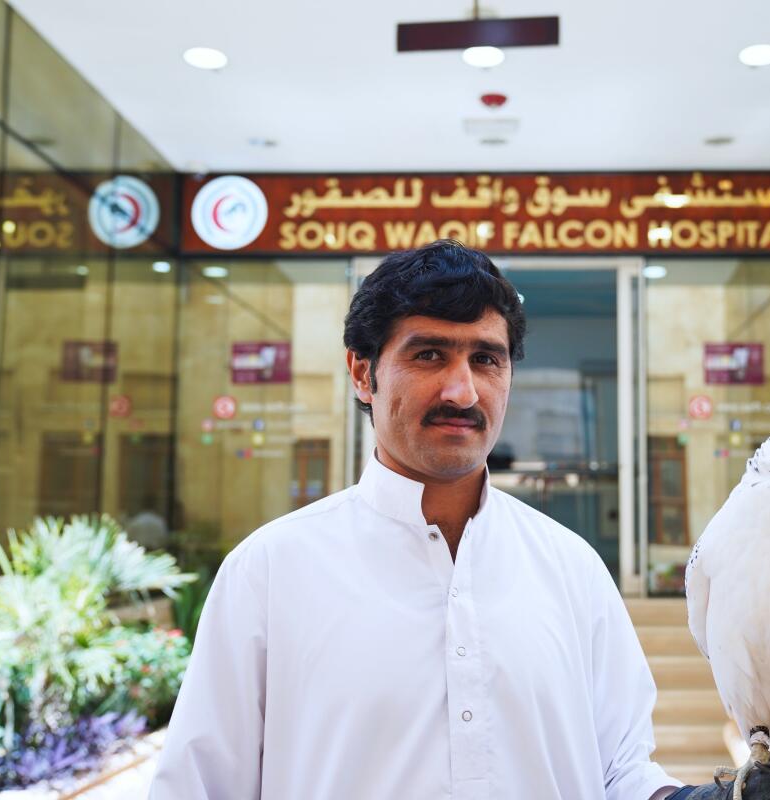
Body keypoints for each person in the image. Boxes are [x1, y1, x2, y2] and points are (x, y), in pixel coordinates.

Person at [150, 240, 695, 799]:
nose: (463, 391)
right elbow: (199, 786)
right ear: (363, 374)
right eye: (429, 355)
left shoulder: (571, 567)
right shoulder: (269, 573)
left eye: (486, 359)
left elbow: (621, 769)